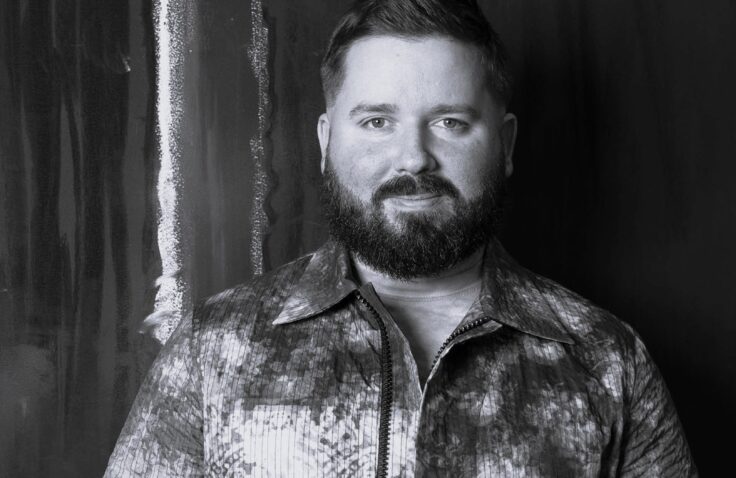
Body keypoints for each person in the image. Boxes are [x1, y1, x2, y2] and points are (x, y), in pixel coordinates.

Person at [106, 0, 697, 476]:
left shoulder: (604, 358)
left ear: (507, 145)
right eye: (376, 121)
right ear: (324, 142)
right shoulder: (217, 347)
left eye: (450, 122)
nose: (413, 156)